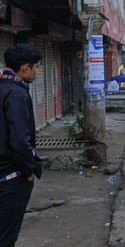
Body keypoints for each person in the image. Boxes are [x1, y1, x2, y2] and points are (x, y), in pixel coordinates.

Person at [0, 45, 43, 245]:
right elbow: (20, 140)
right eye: (36, 67)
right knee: (6, 235)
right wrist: (29, 169)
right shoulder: (16, 94)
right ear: (25, 68)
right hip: (10, 178)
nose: (37, 72)